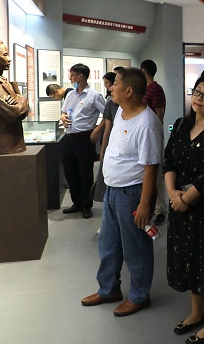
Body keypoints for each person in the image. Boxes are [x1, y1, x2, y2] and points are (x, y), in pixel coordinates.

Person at [81, 68, 163, 317]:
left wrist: (145, 204)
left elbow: (151, 167)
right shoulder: (119, 112)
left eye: (115, 83)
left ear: (128, 91)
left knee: (135, 248)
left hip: (132, 194)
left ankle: (139, 296)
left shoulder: (147, 123)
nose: (110, 88)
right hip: (113, 190)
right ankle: (109, 289)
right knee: (108, 244)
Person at [164, 67, 204, 344]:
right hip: (180, 203)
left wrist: (186, 199)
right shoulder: (181, 124)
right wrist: (172, 193)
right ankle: (196, 312)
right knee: (189, 258)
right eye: (197, 92)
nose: (199, 98)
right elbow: (169, 160)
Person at [60, 63, 105, 219]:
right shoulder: (71, 95)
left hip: (84, 138)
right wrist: (63, 118)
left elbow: (108, 115)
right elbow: (63, 112)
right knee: (70, 171)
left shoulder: (94, 95)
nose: (70, 78)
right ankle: (77, 202)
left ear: (80, 76)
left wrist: (96, 131)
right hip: (69, 137)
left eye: (72, 75)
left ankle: (86, 205)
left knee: (85, 173)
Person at [140, 59, 169, 226]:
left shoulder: (156, 89)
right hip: (143, 136)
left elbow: (160, 114)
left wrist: (154, 134)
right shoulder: (143, 89)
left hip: (153, 136)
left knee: (157, 174)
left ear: (144, 69)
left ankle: (161, 210)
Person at [90, 72, 119, 203]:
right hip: (111, 146)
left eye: (109, 84)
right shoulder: (110, 104)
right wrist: (103, 151)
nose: (109, 88)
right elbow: (108, 129)